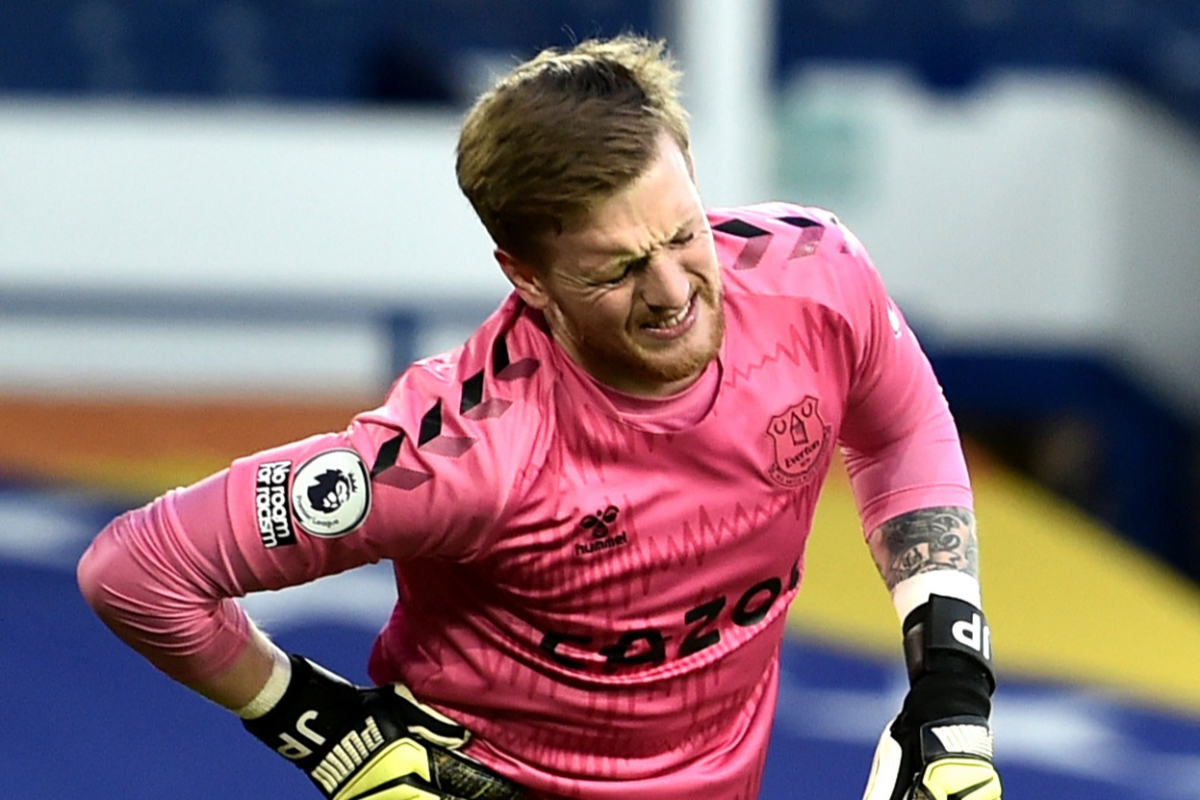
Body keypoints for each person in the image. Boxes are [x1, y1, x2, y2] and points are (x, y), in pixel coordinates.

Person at [77, 35, 1001, 800]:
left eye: (684, 234)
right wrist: (323, 729)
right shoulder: (455, 451)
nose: (674, 291)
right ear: (525, 275)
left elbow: (901, 430)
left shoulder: (815, 274)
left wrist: (951, 693)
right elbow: (138, 571)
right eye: (617, 269)